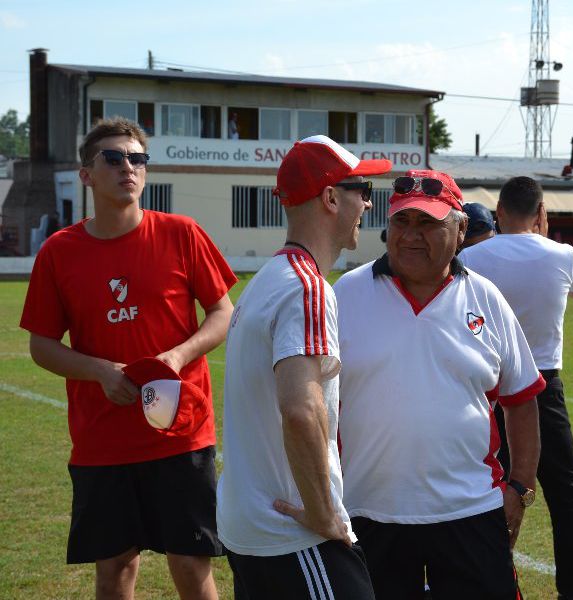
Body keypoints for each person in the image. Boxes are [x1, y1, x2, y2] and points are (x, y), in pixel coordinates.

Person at [20, 117, 237, 600]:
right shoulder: (59, 252)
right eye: (114, 158)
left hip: (180, 430)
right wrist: (98, 371)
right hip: (104, 437)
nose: (128, 168)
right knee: (116, 566)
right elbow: (41, 344)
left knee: (190, 562)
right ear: (86, 175)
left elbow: (222, 313)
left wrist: (179, 356)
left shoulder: (182, 233)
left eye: (137, 158)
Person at [333, 170, 544, 599]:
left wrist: (520, 488)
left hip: (471, 511)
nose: (412, 236)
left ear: (461, 228)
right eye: (402, 222)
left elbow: (521, 400)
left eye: (428, 223)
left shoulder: (486, 298)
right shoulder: (345, 294)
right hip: (367, 513)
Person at [217, 135, 388, 599]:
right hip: (293, 533)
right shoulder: (307, 286)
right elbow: (300, 408)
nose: (369, 204)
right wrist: (323, 513)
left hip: (252, 527)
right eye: (361, 190)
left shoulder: (266, 282)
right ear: (331, 197)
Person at [459, 176, 573, 600]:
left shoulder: (472, 257)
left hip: (487, 389)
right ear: (541, 213)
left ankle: (487, 581)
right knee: (565, 497)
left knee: (483, 491)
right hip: (542, 387)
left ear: (498, 213)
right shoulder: (563, 255)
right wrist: (545, 239)